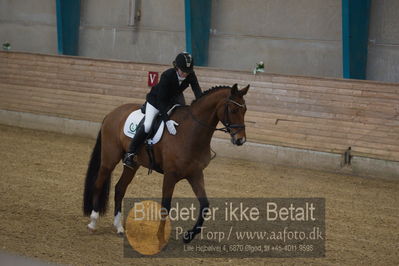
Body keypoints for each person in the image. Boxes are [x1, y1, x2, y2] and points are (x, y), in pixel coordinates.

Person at [123, 52, 203, 168]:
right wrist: (167, 121)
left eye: (187, 72)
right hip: (156, 101)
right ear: (176, 67)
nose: (185, 74)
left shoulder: (190, 74)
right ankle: (130, 153)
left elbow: (198, 92)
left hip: (173, 100)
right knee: (148, 125)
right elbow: (161, 101)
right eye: (183, 71)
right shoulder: (167, 75)